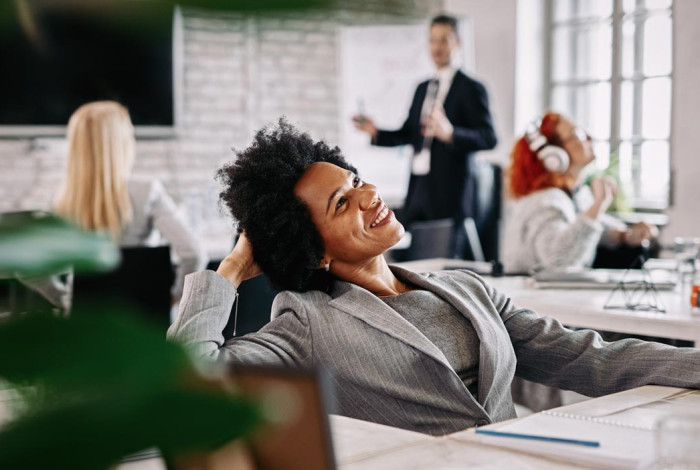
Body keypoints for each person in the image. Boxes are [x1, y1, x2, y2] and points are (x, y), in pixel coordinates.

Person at [168, 119, 700, 436]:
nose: (369, 195)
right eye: (342, 202)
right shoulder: (305, 324)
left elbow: (589, 357)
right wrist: (233, 267)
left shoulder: (468, 288)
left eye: (356, 180)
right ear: (314, 250)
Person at [352, 14, 497, 257]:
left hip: (451, 191)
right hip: (419, 187)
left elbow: (489, 137)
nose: (436, 47)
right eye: (432, 41)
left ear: (457, 43)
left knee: (444, 261)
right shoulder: (422, 88)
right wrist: (376, 132)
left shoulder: (471, 88)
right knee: (410, 258)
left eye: (443, 40)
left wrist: (450, 134)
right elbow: (409, 134)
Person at [52, 101, 207, 306]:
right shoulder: (147, 192)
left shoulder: (63, 202)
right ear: (123, 144)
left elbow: (30, 269)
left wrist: (63, 298)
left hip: (87, 325)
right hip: (145, 323)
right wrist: (175, 294)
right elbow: (193, 252)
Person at [503, 111, 658, 273]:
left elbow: (585, 230)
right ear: (553, 155)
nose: (589, 138)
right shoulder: (545, 201)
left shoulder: (575, 195)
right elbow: (558, 261)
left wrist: (625, 236)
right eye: (578, 134)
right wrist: (598, 204)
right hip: (529, 296)